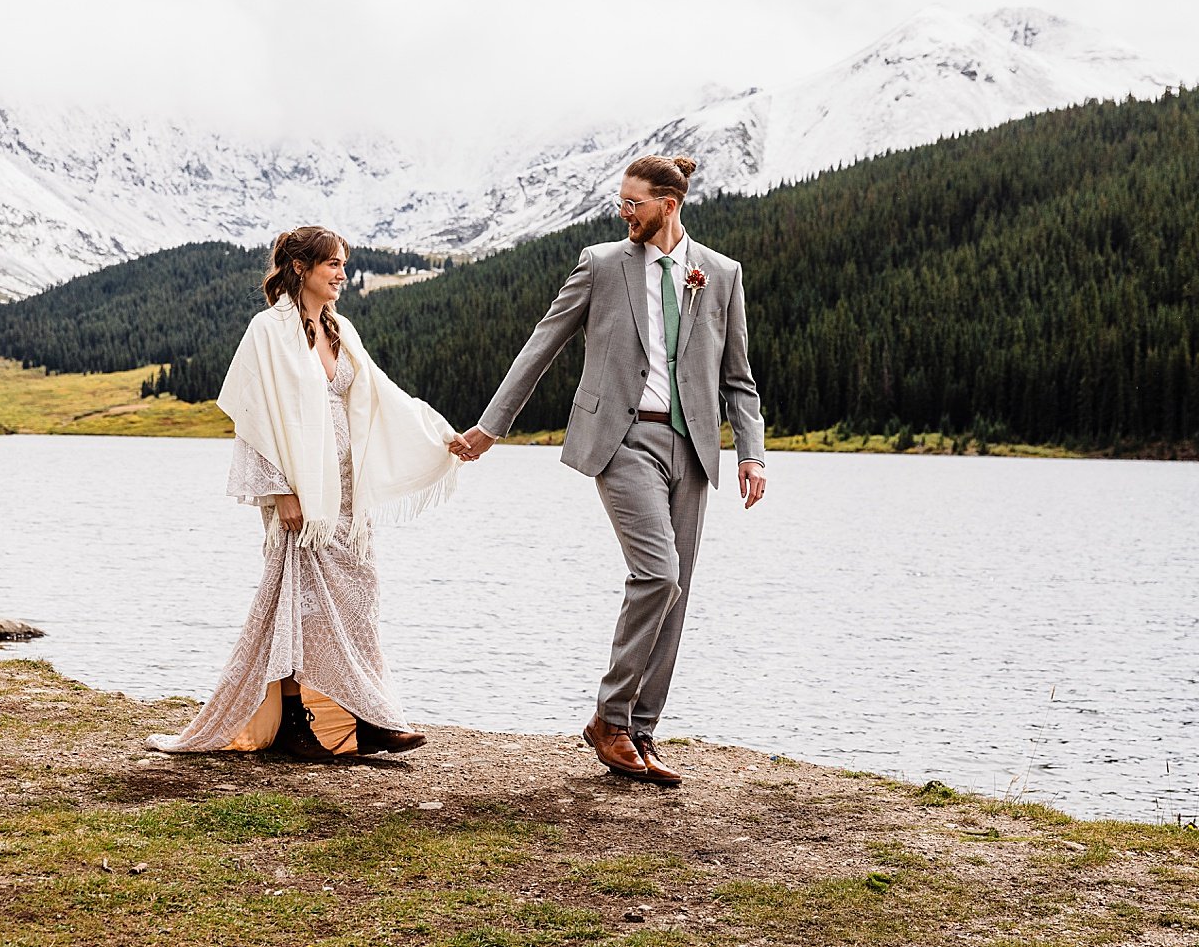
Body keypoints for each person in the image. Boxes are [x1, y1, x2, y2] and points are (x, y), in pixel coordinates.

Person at [453, 154, 767, 786]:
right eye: (620, 202)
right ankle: (609, 720)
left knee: (675, 594)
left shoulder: (721, 274)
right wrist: (491, 427)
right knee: (656, 575)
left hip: (694, 448)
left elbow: (739, 378)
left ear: (669, 205)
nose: (624, 213)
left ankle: (641, 732)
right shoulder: (600, 265)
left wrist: (750, 453)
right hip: (621, 440)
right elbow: (543, 343)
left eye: (634, 204)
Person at [148, 226, 461, 760]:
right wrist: (279, 493)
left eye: (343, 265)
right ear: (300, 269)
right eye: (332, 265)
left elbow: (382, 394)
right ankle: (301, 725)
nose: (342, 274)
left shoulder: (340, 329)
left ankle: (366, 718)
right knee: (299, 606)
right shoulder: (267, 332)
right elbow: (254, 420)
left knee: (359, 602)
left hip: (345, 494)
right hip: (302, 496)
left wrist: (442, 438)